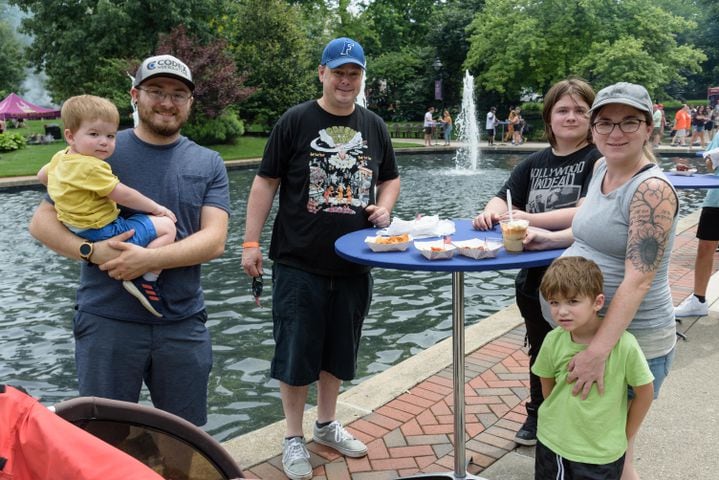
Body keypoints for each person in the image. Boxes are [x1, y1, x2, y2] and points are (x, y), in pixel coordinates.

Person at [28, 54, 230, 427]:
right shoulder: (98, 147)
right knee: (107, 438)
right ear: (135, 94)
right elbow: (41, 223)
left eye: (178, 94)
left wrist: (148, 261)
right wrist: (91, 251)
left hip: (181, 323)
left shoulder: (208, 162)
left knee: (185, 438)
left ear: (190, 103)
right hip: (107, 321)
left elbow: (214, 240)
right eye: (156, 90)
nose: (167, 102)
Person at [240, 37, 400, 480]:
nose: (346, 81)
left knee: (338, 351)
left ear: (361, 77)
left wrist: (386, 207)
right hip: (298, 261)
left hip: (354, 263)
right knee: (294, 354)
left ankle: (326, 425)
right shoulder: (295, 121)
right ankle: (293, 437)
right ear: (322, 73)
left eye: (354, 74)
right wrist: (249, 243)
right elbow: (264, 183)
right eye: (339, 72)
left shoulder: (374, 125)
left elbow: (390, 179)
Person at [526, 82, 678, 479]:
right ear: (593, 130)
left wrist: (597, 353)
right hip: (591, 334)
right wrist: (551, 237)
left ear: (649, 128)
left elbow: (639, 280)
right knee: (608, 450)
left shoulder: (651, 191)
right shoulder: (600, 169)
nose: (616, 133)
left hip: (628, 341)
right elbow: (588, 226)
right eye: (605, 123)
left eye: (630, 122)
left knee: (616, 452)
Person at [472, 77, 601, 446]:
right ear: (549, 118)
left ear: (591, 118)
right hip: (534, 279)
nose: (571, 117)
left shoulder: (597, 161)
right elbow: (502, 198)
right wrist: (490, 214)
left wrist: (524, 218)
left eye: (580, 110)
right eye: (563, 110)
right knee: (541, 347)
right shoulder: (533, 162)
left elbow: (585, 213)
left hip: (581, 278)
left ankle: (579, 416)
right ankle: (538, 412)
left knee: (579, 347)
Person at [36, 95, 177, 317]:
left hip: (76, 227)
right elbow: (124, 194)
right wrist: (156, 208)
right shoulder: (92, 167)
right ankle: (145, 277)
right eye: (94, 134)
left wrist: (69, 193)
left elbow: (42, 175)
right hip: (104, 231)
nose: (104, 141)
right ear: (70, 136)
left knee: (135, 222)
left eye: (110, 135)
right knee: (168, 227)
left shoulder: (60, 158)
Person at [533, 256, 654, 480]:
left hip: (603, 453)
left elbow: (645, 392)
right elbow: (546, 384)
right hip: (555, 444)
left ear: (597, 302)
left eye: (573, 301)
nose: (562, 311)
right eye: (554, 302)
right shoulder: (553, 340)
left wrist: (626, 434)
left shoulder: (625, 345)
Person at [674, 131, 719, 317]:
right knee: (705, 247)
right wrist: (714, 158)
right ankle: (698, 300)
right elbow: (709, 165)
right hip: (716, 198)